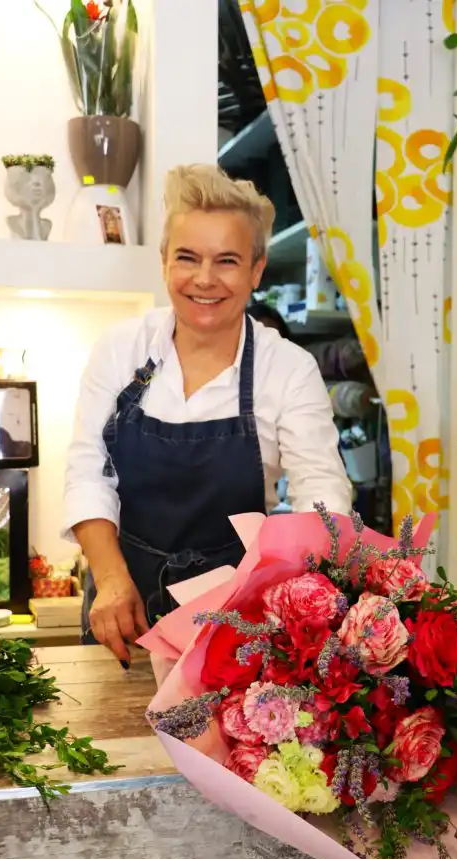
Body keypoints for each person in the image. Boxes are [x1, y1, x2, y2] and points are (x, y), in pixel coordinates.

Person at [64, 164, 352, 665]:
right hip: (121, 607)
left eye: (226, 261)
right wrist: (110, 580)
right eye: (187, 257)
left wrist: (303, 598)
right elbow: (88, 472)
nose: (204, 278)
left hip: (237, 617)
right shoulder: (119, 349)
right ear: (163, 262)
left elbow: (321, 494)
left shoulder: (287, 368)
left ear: (256, 270)